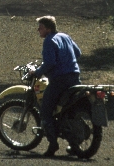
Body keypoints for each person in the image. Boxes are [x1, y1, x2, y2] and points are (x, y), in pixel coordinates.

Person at [31, 15, 81, 157]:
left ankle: (53, 145)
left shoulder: (49, 40)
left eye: (40, 27)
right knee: (68, 110)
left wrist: (38, 72)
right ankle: (74, 145)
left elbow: (50, 63)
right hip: (75, 77)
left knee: (45, 111)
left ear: (48, 28)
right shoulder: (65, 36)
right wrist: (67, 63)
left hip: (60, 81)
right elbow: (78, 53)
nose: (38, 30)